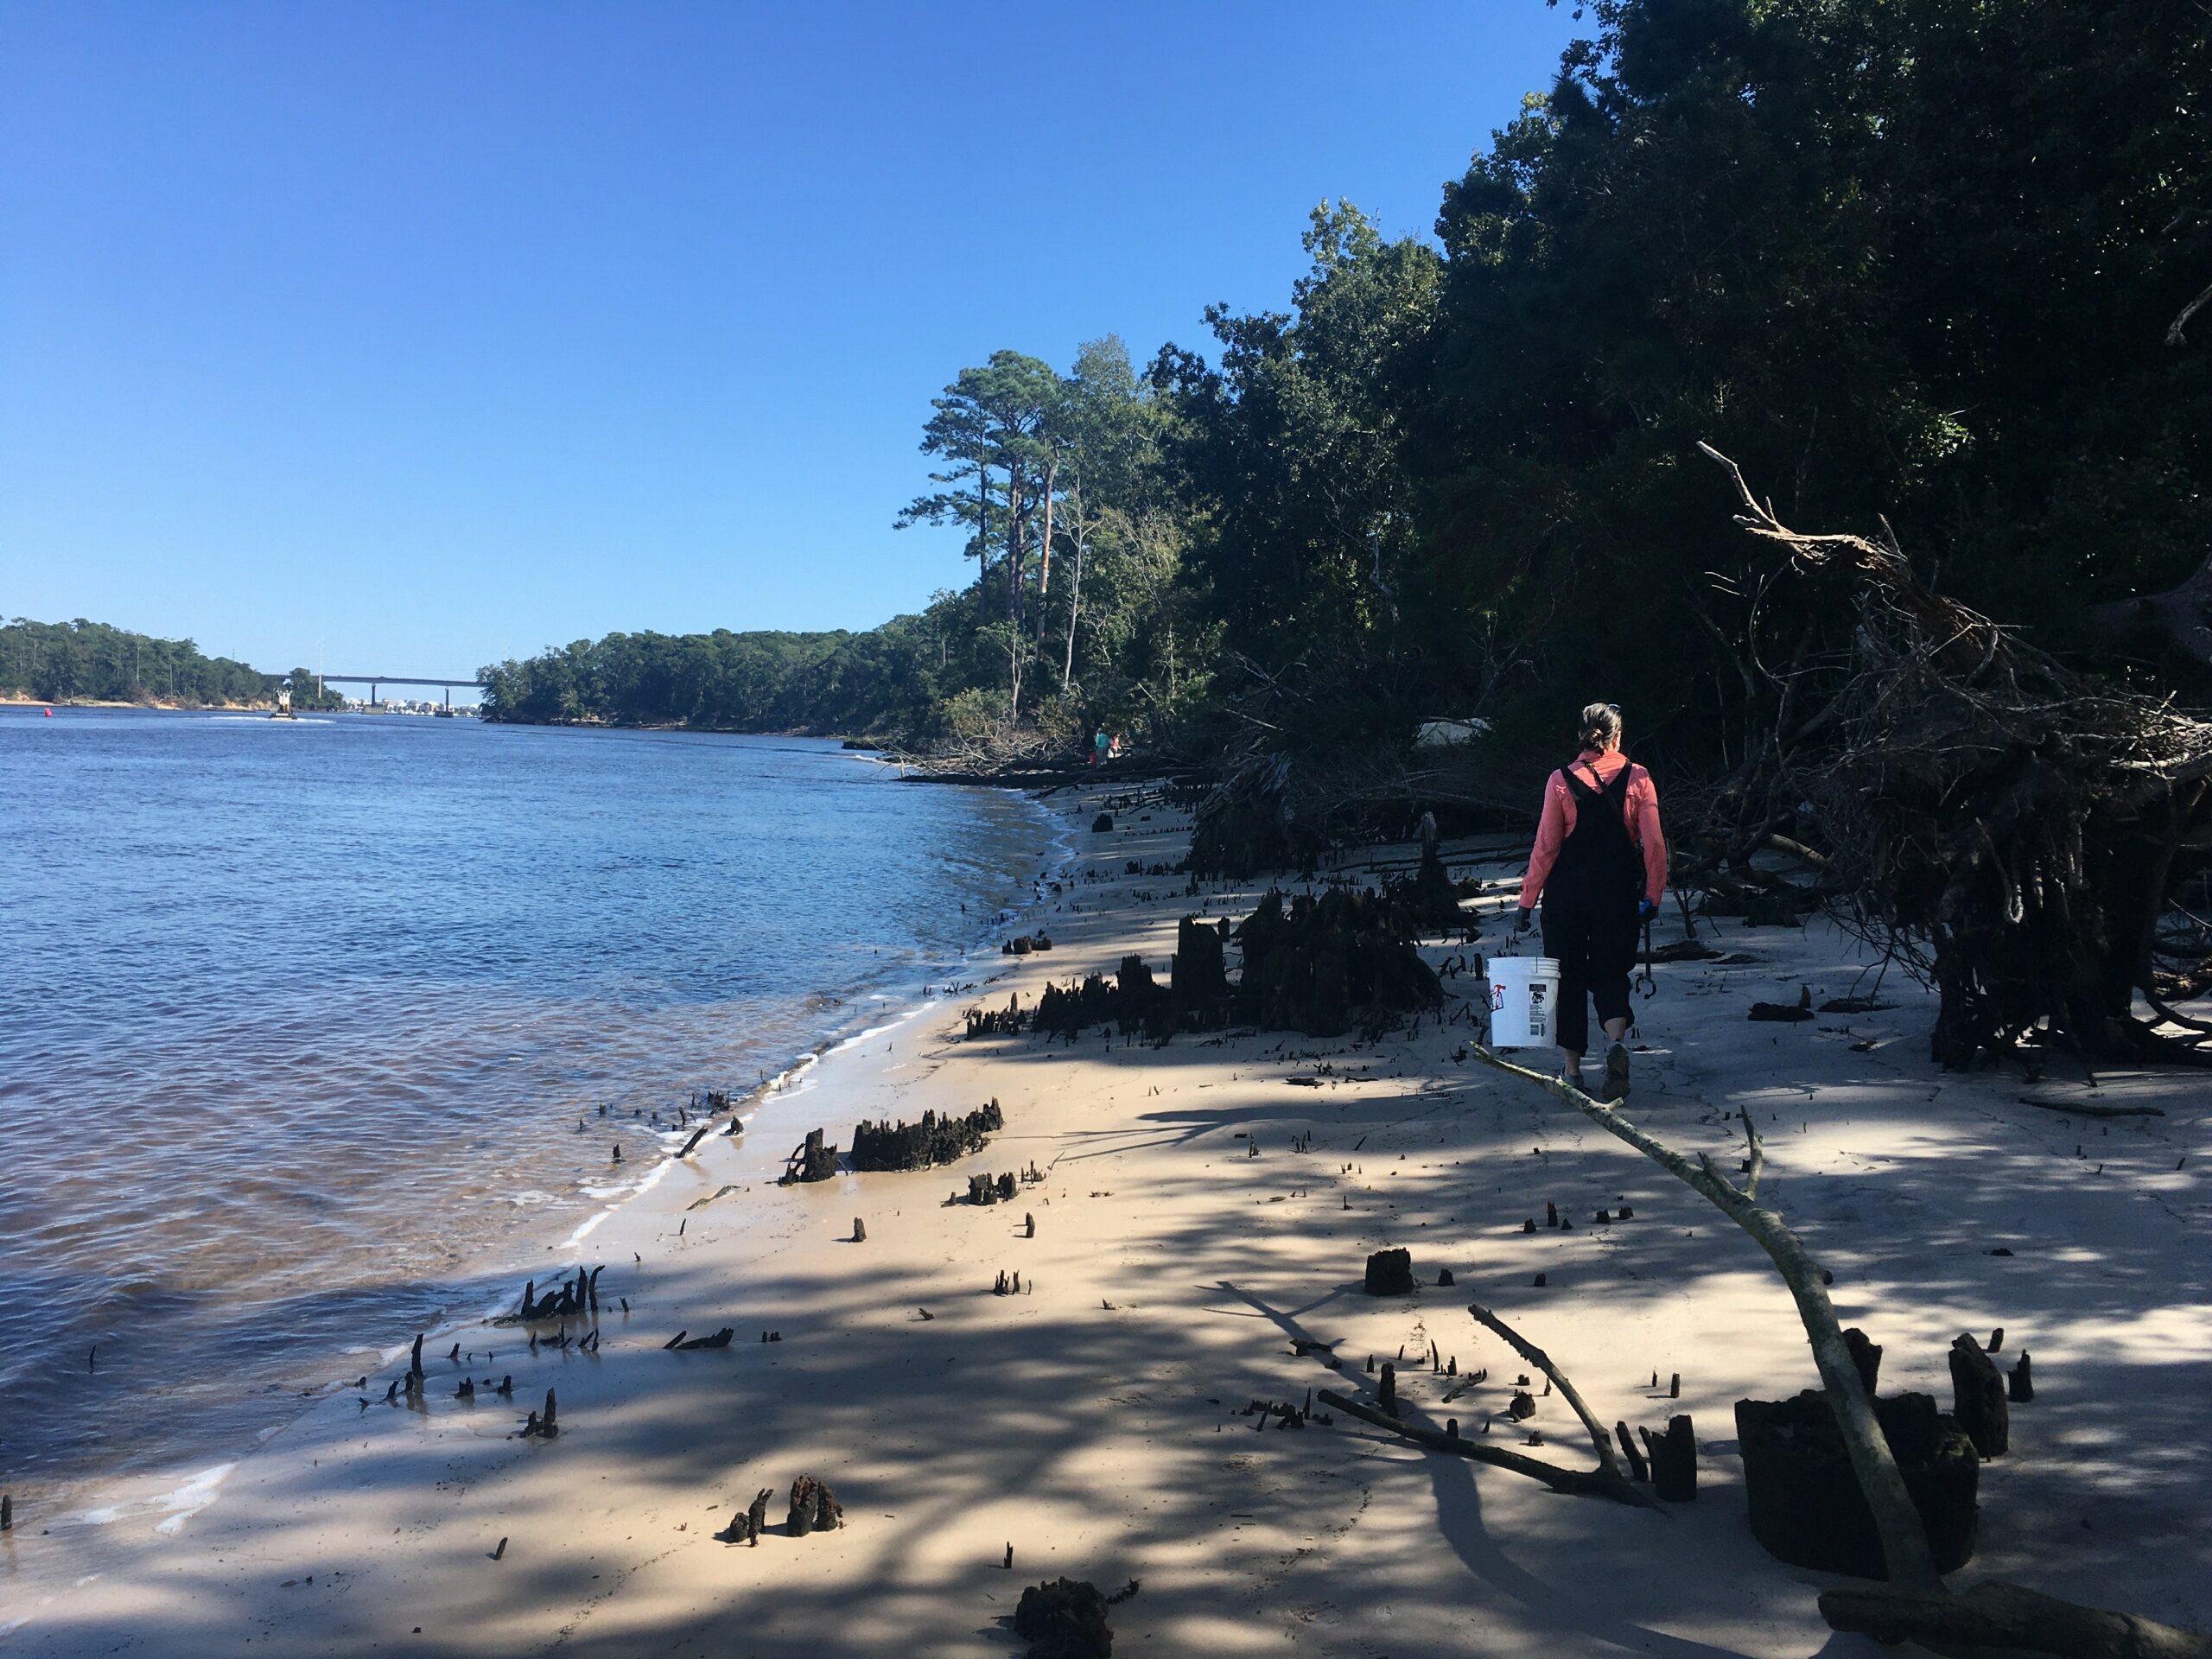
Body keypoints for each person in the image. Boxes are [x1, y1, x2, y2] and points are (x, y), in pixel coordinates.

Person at [1514, 702, 1666, 1100]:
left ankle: (1573, 1071)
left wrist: (1526, 901)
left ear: (1582, 736)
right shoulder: (1639, 777)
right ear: (1617, 736)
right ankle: (1615, 1045)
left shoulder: (1560, 780)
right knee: (1612, 972)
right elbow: (1654, 845)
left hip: (1566, 897)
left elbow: (1546, 847)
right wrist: (1653, 895)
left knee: (1567, 980)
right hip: (1617, 893)